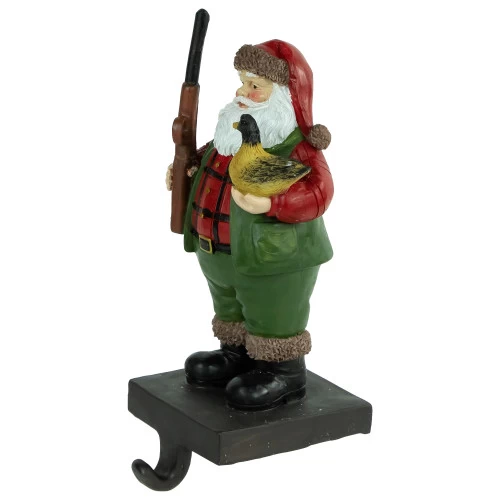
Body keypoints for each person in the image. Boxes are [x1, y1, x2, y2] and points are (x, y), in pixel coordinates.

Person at [167, 40, 334, 411]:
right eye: (243, 82)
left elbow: (320, 190)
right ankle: (235, 354)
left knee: (273, 312)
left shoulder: (297, 146)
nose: (244, 92)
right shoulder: (231, 137)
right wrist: (187, 171)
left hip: (275, 257)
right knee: (230, 304)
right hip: (220, 251)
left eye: (256, 85)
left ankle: (283, 372)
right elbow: (210, 158)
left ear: (285, 98)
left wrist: (274, 203)